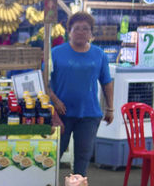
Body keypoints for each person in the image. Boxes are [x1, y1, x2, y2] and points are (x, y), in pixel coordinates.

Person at [48, 11, 114, 176]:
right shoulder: (55, 53)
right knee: (55, 153)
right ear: (69, 31)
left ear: (91, 33)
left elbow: (106, 82)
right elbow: (44, 82)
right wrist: (55, 102)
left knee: (83, 157)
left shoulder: (99, 55)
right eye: (76, 28)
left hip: (89, 115)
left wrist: (110, 108)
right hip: (61, 114)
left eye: (86, 29)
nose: (81, 32)